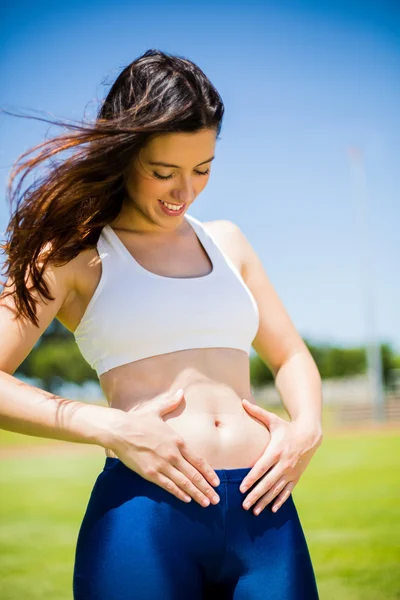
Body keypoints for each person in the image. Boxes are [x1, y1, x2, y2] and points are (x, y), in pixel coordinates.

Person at [0, 49, 323, 599]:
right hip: (144, 515)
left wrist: (306, 429)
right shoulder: (74, 253)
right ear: (124, 153)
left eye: (202, 169)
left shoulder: (228, 242)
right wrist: (108, 427)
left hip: (264, 512)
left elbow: (290, 356)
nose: (185, 191)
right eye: (163, 172)